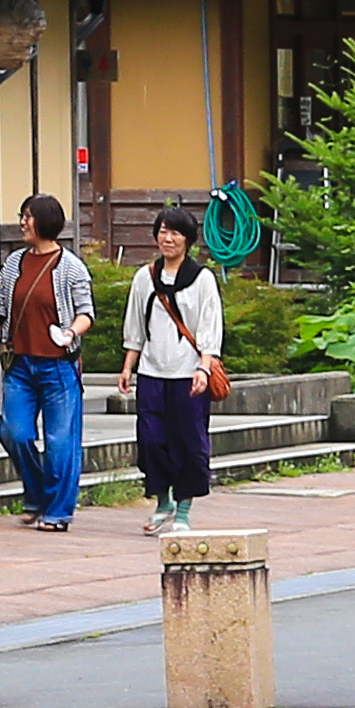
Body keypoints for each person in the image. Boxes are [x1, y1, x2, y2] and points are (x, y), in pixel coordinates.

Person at [0, 195, 94, 531]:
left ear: (46, 222)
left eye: (29, 217)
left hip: (59, 367)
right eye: (22, 215)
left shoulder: (71, 266)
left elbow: (86, 313)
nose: (23, 222)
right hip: (20, 364)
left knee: (60, 440)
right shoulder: (14, 262)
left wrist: (69, 333)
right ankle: (36, 493)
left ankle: (58, 511)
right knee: (13, 431)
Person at [125, 206, 226, 536]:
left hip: (189, 373)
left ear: (188, 240)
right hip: (152, 371)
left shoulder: (202, 279)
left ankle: (184, 508)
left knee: (188, 441)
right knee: (152, 439)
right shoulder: (145, 277)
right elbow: (135, 326)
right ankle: (163, 501)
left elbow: (211, 327)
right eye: (163, 231)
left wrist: (204, 368)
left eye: (176, 233)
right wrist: (129, 366)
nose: (168, 238)